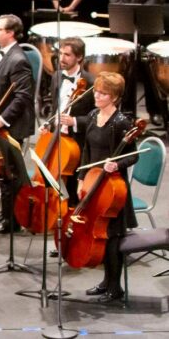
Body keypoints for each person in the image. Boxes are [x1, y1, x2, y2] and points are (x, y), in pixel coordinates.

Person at [59, 72, 136, 303]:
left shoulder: (122, 122)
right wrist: (81, 177)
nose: (97, 96)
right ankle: (105, 282)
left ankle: (115, 287)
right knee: (99, 236)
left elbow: (133, 157)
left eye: (102, 93)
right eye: (97, 91)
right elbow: (86, 152)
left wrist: (117, 164)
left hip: (113, 189)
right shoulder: (93, 115)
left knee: (112, 239)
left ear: (113, 97)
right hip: (92, 183)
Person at [0, 14, 35, 234]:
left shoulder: (18, 59)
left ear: (10, 33)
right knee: (2, 174)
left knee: (10, 175)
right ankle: (5, 213)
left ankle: (12, 221)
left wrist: (3, 118)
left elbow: (23, 97)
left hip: (8, 127)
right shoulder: (3, 55)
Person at [43, 37, 95, 205]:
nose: (62, 58)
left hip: (78, 142)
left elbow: (97, 119)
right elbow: (56, 107)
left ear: (79, 57)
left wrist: (75, 121)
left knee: (73, 185)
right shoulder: (57, 76)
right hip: (57, 137)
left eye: (67, 55)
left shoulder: (91, 83)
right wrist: (48, 124)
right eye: (60, 53)